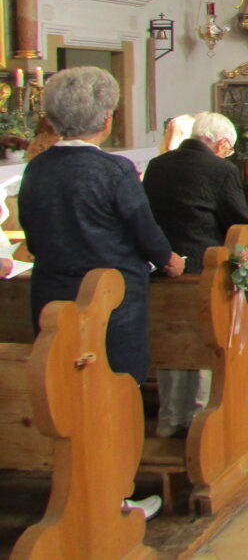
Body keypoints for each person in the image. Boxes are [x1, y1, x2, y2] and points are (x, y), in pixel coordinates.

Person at [18, 68, 184, 519]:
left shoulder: (36, 168)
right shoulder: (112, 168)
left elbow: (32, 239)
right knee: (115, 394)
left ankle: (76, 490)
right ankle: (113, 497)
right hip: (113, 301)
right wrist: (169, 260)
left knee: (68, 395)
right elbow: (143, 229)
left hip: (53, 295)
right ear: (106, 118)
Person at [142, 111, 248, 437]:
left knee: (173, 342)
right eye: (228, 149)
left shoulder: (158, 166)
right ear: (222, 143)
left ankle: (170, 419)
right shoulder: (220, 170)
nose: (228, 154)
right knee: (205, 343)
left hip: (163, 268)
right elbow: (238, 220)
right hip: (204, 267)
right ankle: (201, 422)